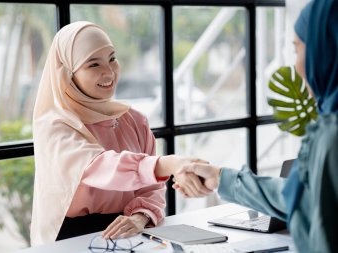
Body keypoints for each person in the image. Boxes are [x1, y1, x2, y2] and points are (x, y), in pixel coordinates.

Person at [174, 1, 338, 252]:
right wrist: (220, 177)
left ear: (324, 50)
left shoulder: (331, 134)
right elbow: (306, 195)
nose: (295, 67)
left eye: (297, 51)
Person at [30, 21, 210, 246]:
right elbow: (99, 166)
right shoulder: (56, 125)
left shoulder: (133, 120)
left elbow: (151, 189)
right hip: (67, 238)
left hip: (127, 233)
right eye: (93, 64)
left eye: (112, 59)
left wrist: (139, 217)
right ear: (68, 74)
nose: (109, 71)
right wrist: (170, 164)